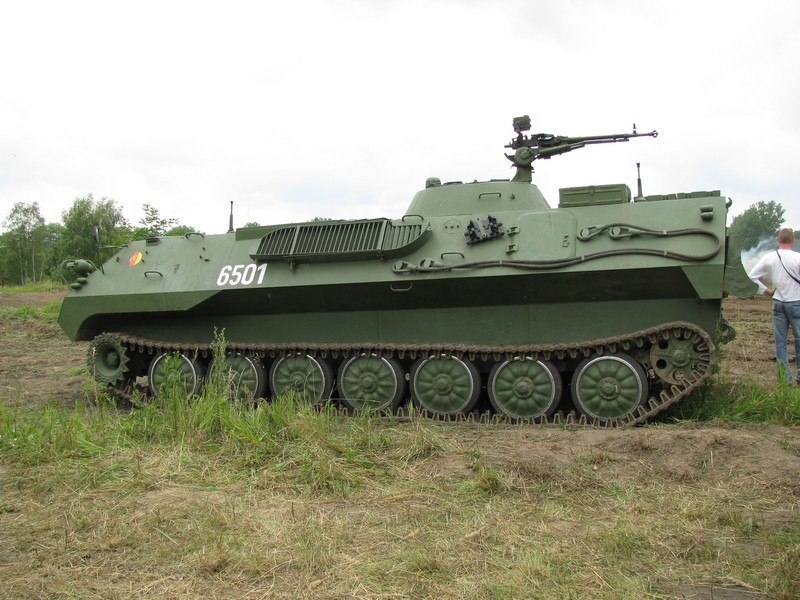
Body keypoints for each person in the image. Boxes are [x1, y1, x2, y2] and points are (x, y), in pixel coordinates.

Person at [748, 227, 800, 384]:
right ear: (793, 240)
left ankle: (785, 379)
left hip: (778, 303)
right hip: (796, 303)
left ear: (778, 240)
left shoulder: (769, 257)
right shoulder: (798, 258)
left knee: (781, 343)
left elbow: (752, 276)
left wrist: (767, 291)